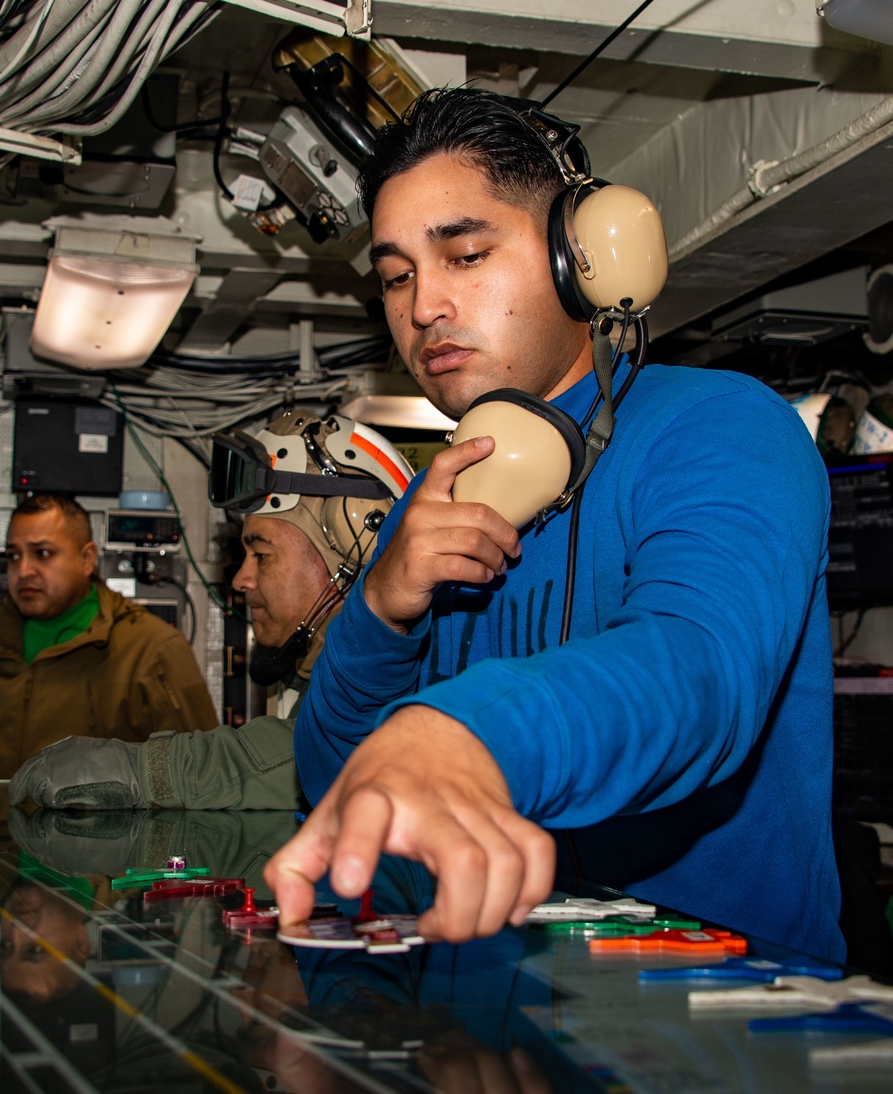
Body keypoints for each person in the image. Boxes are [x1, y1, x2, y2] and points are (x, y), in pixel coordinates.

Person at [264, 86, 844, 963]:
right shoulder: (433, 502)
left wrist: (470, 734)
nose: (423, 306)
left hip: (722, 1032)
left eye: (464, 254)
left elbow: (701, 670)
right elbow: (329, 780)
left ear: (581, 259)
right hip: (492, 1026)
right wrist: (379, 611)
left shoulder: (723, 428)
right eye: (395, 277)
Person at [8, 410, 413, 810]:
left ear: (353, 551)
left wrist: (140, 770)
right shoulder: (301, 678)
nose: (241, 579)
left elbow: (321, 752)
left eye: (261, 554)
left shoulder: (403, 682)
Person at [0, 492, 218, 779]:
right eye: (13, 556)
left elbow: (201, 779)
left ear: (87, 559)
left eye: (43, 553)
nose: (23, 570)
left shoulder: (150, 652)